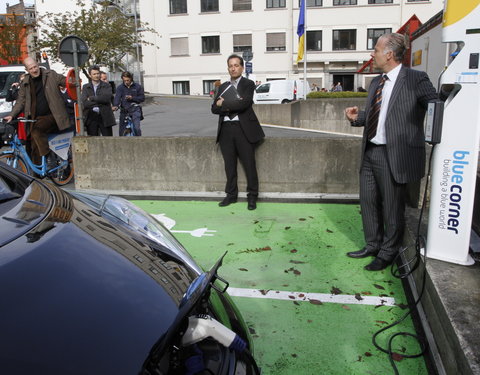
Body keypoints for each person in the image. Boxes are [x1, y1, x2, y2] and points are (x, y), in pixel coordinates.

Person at [344, 33, 437, 271]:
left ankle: (388, 252)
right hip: (370, 151)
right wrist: (358, 118)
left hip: (394, 155)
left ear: (389, 54)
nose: (372, 54)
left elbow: (437, 105)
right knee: (368, 201)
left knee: (392, 206)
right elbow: (378, 116)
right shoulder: (377, 82)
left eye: (376, 49)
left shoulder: (415, 79)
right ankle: (372, 244)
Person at [211, 54, 265, 210]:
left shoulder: (248, 84)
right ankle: (231, 195)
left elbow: (245, 104)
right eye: (230, 66)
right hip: (226, 130)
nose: (233, 68)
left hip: (243, 129)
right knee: (229, 166)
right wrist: (231, 103)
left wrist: (224, 103)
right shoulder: (222, 87)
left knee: (249, 164)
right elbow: (214, 108)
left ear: (241, 67)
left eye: (236, 65)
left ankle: (252, 197)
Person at [3, 57, 70, 167]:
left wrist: (72, 80)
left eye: (35, 66)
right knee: (32, 147)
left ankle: (49, 157)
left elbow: (66, 81)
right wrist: (11, 115)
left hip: (53, 116)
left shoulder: (51, 75)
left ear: (38, 64)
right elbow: (20, 101)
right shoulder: (25, 82)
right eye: (31, 68)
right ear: (27, 70)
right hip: (34, 118)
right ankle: (37, 175)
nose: (34, 70)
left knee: (36, 131)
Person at [81, 65, 116, 136]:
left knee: (107, 140)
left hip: (105, 117)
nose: (97, 75)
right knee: (93, 141)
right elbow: (85, 103)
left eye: (98, 73)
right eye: (94, 74)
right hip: (91, 117)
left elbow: (106, 99)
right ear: (90, 75)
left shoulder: (106, 85)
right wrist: (100, 101)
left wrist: (91, 98)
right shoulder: (85, 87)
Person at [112, 71, 145, 136]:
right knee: (122, 131)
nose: (126, 82)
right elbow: (117, 98)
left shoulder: (137, 87)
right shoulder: (120, 88)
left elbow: (142, 98)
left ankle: (139, 141)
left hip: (135, 110)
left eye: (128, 80)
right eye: (124, 80)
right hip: (124, 111)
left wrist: (132, 98)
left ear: (131, 78)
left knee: (136, 128)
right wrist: (115, 106)